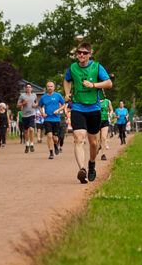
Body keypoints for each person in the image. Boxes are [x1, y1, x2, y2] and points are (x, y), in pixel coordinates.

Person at [63, 41, 112, 184]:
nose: (81, 55)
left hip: (94, 109)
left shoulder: (97, 67)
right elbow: (66, 80)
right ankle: (82, 169)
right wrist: (67, 93)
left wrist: (94, 85)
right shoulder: (72, 68)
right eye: (79, 52)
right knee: (78, 137)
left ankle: (91, 164)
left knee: (94, 143)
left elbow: (109, 83)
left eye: (84, 53)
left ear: (90, 54)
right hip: (78, 107)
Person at [39, 80, 66, 159]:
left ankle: (55, 145)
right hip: (47, 119)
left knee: (55, 138)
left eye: (51, 86)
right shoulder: (43, 97)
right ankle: (51, 152)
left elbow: (64, 105)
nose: (50, 88)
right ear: (46, 87)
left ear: (54, 87)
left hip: (56, 119)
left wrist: (58, 110)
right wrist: (42, 113)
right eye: (48, 86)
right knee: (49, 135)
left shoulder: (58, 95)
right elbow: (40, 106)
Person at [18, 83, 39, 154]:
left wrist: (35, 105)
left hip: (32, 114)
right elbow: (17, 105)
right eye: (27, 87)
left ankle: (32, 144)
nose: (28, 88)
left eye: (29, 87)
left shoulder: (34, 95)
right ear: (25, 88)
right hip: (24, 116)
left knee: (31, 129)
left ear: (31, 88)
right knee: (26, 131)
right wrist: (23, 103)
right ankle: (27, 144)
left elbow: (37, 104)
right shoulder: (22, 96)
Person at [98, 96, 113, 161]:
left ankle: (103, 154)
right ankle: (99, 146)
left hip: (105, 121)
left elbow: (111, 110)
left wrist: (110, 114)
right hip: (96, 121)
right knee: (97, 139)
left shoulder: (107, 101)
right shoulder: (95, 100)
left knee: (103, 138)